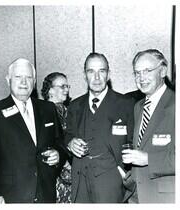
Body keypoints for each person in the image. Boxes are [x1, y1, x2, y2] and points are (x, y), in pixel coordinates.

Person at [0, 58, 64, 203]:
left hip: (46, 194)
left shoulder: (48, 109)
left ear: (34, 82)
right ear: (8, 80)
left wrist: (58, 154)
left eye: (28, 78)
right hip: (11, 196)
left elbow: (61, 142)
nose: (23, 82)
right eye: (18, 77)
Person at [65, 52, 135, 203]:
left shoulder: (126, 104)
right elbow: (67, 135)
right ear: (85, 76)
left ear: (108, 75)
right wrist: (70, 143)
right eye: (91, 71)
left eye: (101, 71)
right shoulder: (75, 106)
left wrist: (122, 172)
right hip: (80, 182)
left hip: (111, 184)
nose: (96, 78)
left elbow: (134, 141)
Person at [122, 49, 175, 203]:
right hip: (136, 195)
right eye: (137, 73)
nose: (141, 78)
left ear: (163, 71)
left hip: (165, 198)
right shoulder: (138, 106)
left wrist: (148, 159)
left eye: (147, 71)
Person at [41, 72, 71, 203]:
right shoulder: (42, 112)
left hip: (70, 170)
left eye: (67, 86)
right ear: (50, 90)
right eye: (62, 86)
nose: (66, 89)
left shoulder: (67, 110)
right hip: (55, 171)